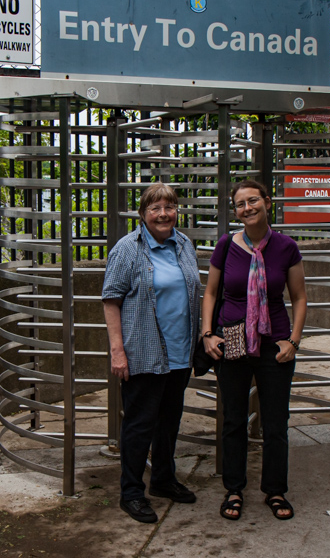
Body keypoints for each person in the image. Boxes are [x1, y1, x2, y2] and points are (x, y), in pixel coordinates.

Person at [201, 179, 307, 521]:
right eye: (240, 204)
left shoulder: (286, 247)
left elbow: (299, 298)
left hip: (273, 343)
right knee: (233, 420)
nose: (247, 208)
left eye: (253, 201)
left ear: (267, 202)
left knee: (276, 422)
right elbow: (212, 294)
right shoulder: (225, 246)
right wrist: (207, 334)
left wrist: (293, 340)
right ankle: (233, 488)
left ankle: (275, 490)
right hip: (231, 338)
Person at [101, 182, 202, 524]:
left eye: (169, 206)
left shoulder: (184, 244)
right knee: (139, 426)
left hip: (179, 352)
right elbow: (111, 301)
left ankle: (162, 479)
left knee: (169, 423)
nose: (163, 213)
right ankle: (131, 492)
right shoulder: (127, 249)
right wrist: (117, 351)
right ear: (143, 214)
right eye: (155, 208)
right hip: (143, 353)